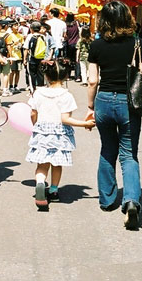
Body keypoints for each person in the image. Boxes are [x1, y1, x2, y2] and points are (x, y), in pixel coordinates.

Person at [86, 0, 142, 230]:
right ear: (127, 18)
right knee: (128, 154)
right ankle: (132, 201)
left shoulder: (96, 46)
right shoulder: (137, 43)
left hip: (104, 101)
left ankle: (107, 201)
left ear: (103, 20)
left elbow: (92, 79)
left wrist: (89, 107)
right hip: (129, 105)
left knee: (107, 150)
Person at [26, 59, 95, 211]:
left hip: (42, 132)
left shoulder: (38, 93)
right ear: (65, 77)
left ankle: (39, 183)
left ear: (46, 76)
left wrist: (35, 125)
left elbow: (32, 113)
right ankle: (54, 190)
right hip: (59, 134)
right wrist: (85, 124)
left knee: (42, 165)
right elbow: (65, 119)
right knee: (57, 164)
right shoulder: (66, 96)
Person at [23, 21, 49, 91]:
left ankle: (33, 90)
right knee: (40, 75)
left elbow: (26, 48)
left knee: (32, 75)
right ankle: (41, 90)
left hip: (32, 59)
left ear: (31, 29)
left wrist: (24, 59)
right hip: (41, 58)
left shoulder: (29, 36)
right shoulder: (43, 36)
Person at [5, 20, 25, 93]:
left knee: (18, 71)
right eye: (15, 26)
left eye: (17, 26)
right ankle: (10, 86)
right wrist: (10, 56)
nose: (17, 27)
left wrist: (20, 45)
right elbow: (8, 46)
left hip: (19, 56)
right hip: (12, 56)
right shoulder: (9, 35)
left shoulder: (21, 36)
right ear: (11, 27)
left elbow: (22, 44)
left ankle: (16, 85)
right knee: (12, 72)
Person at [64, 13, 80, 82]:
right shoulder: (76, 23)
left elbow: (65, 35)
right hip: (76, 43)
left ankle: (68, 75)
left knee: (68, 60)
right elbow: (79, 32)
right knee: (77, 60)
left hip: (69, 44)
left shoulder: (66, 25)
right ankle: (77, 76)